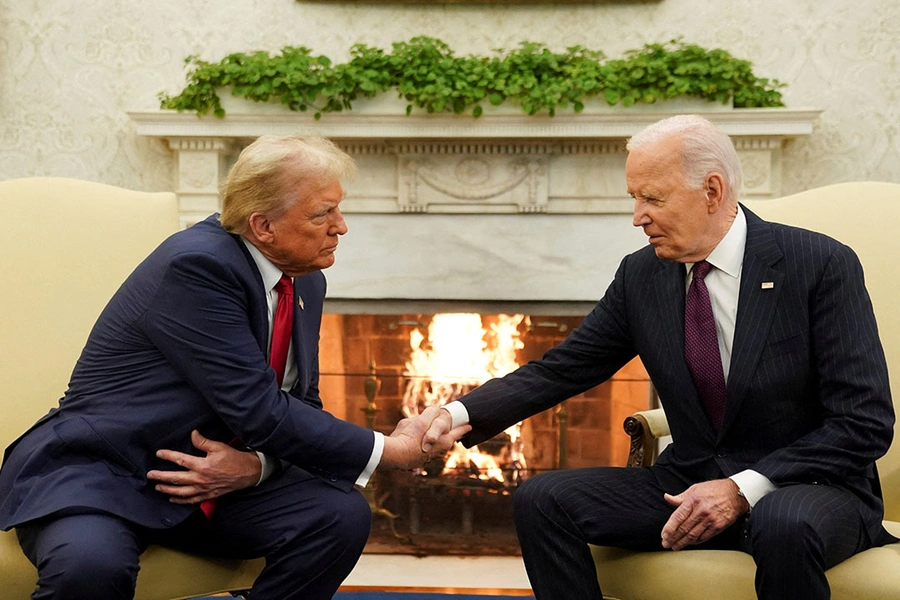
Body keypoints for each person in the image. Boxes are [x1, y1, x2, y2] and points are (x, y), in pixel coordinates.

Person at [422, 114, 897, 599]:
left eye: (652, 198)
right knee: (542, 500)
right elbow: (565, 368)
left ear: (712, 191)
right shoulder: (642, 275)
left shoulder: (818, 264)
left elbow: (864, 422)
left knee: (783, 522)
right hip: (688, 481)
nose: (637, 216)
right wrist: (454, 414)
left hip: (810, 487)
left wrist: (742, 488)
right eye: (634, 197)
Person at [0, 135, 468, 600]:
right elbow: (260, 410)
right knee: (89, 567)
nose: (340, 227)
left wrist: (257, 467)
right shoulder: (198, 267)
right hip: (108, 474)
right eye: (323, 213)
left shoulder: (304, 282)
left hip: (210, 488)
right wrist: (390, 450)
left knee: (338, 515)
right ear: (263, 225)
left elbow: (299, 404)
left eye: (337, 209)